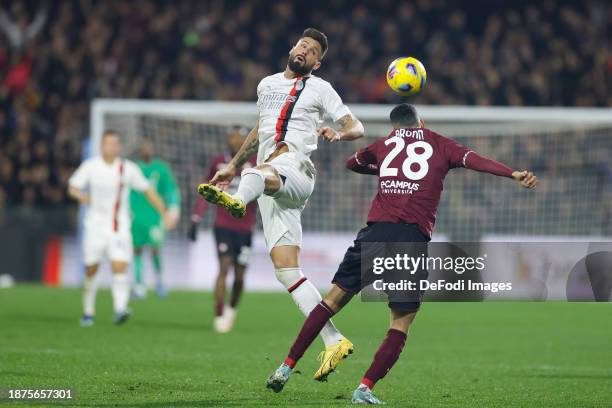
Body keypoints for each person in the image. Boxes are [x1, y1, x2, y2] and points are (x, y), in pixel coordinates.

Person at [266, 103, 537, 404]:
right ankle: (364, 388)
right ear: (420, 122)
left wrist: (381, 168)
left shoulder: (385, 144)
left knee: (331, 301)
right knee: (400, 322)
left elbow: (352, 163)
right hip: (410, 238)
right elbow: (475, 161)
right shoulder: (440, 143)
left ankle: (285, 368)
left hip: (375, 234)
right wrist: (512, 173)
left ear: (395, 127)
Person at [197, 28, 365, 380]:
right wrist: (230, 165)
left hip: (296, 170)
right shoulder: (266, 85)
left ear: (317, 63)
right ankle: (334, 340)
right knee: (286, 268)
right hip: (272, 183)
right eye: (303, 44)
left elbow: (356, 127)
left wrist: (339, 132)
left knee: (256, 174)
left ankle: (238, 201)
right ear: (293, 48)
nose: (305, 49)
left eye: (313, 50)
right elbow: (260, 130)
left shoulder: (321, 89)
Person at [68, 130, 174, 326]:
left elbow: (147, 190)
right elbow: (73, 186)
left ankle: (120, 309)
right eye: (108, 143)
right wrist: (81, 196)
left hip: (119, 227)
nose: (112, 147)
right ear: (102, 146)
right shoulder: (91, 166)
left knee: (120, 266)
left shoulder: (128, 168)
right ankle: (88, 311)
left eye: (115, 144)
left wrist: (164, 212)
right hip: (95, 226)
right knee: (91, 269)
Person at [189, 127, 257, 333]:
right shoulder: (219, 163)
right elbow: (207, 190)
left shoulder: (254, 164)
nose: (236, 141)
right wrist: (195, 218)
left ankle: (231, 309)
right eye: (233, 137)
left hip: (246, 228)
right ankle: (219, 314)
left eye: (240, 138)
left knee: (239, 276)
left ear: (247, 141)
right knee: (224, 268)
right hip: (223, 226)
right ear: (228, 140)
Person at [130, 140, 180, 299]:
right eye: (143, 146)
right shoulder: (132, 168)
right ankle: (138, 285)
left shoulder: (161, 168)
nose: (146, 149)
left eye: (148, 146)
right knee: (136, 250)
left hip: (154, 217)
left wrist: (173, 210)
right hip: (135, 217)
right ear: (139, 150)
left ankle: (159, 281)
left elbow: (171, 190)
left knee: (155, 249)